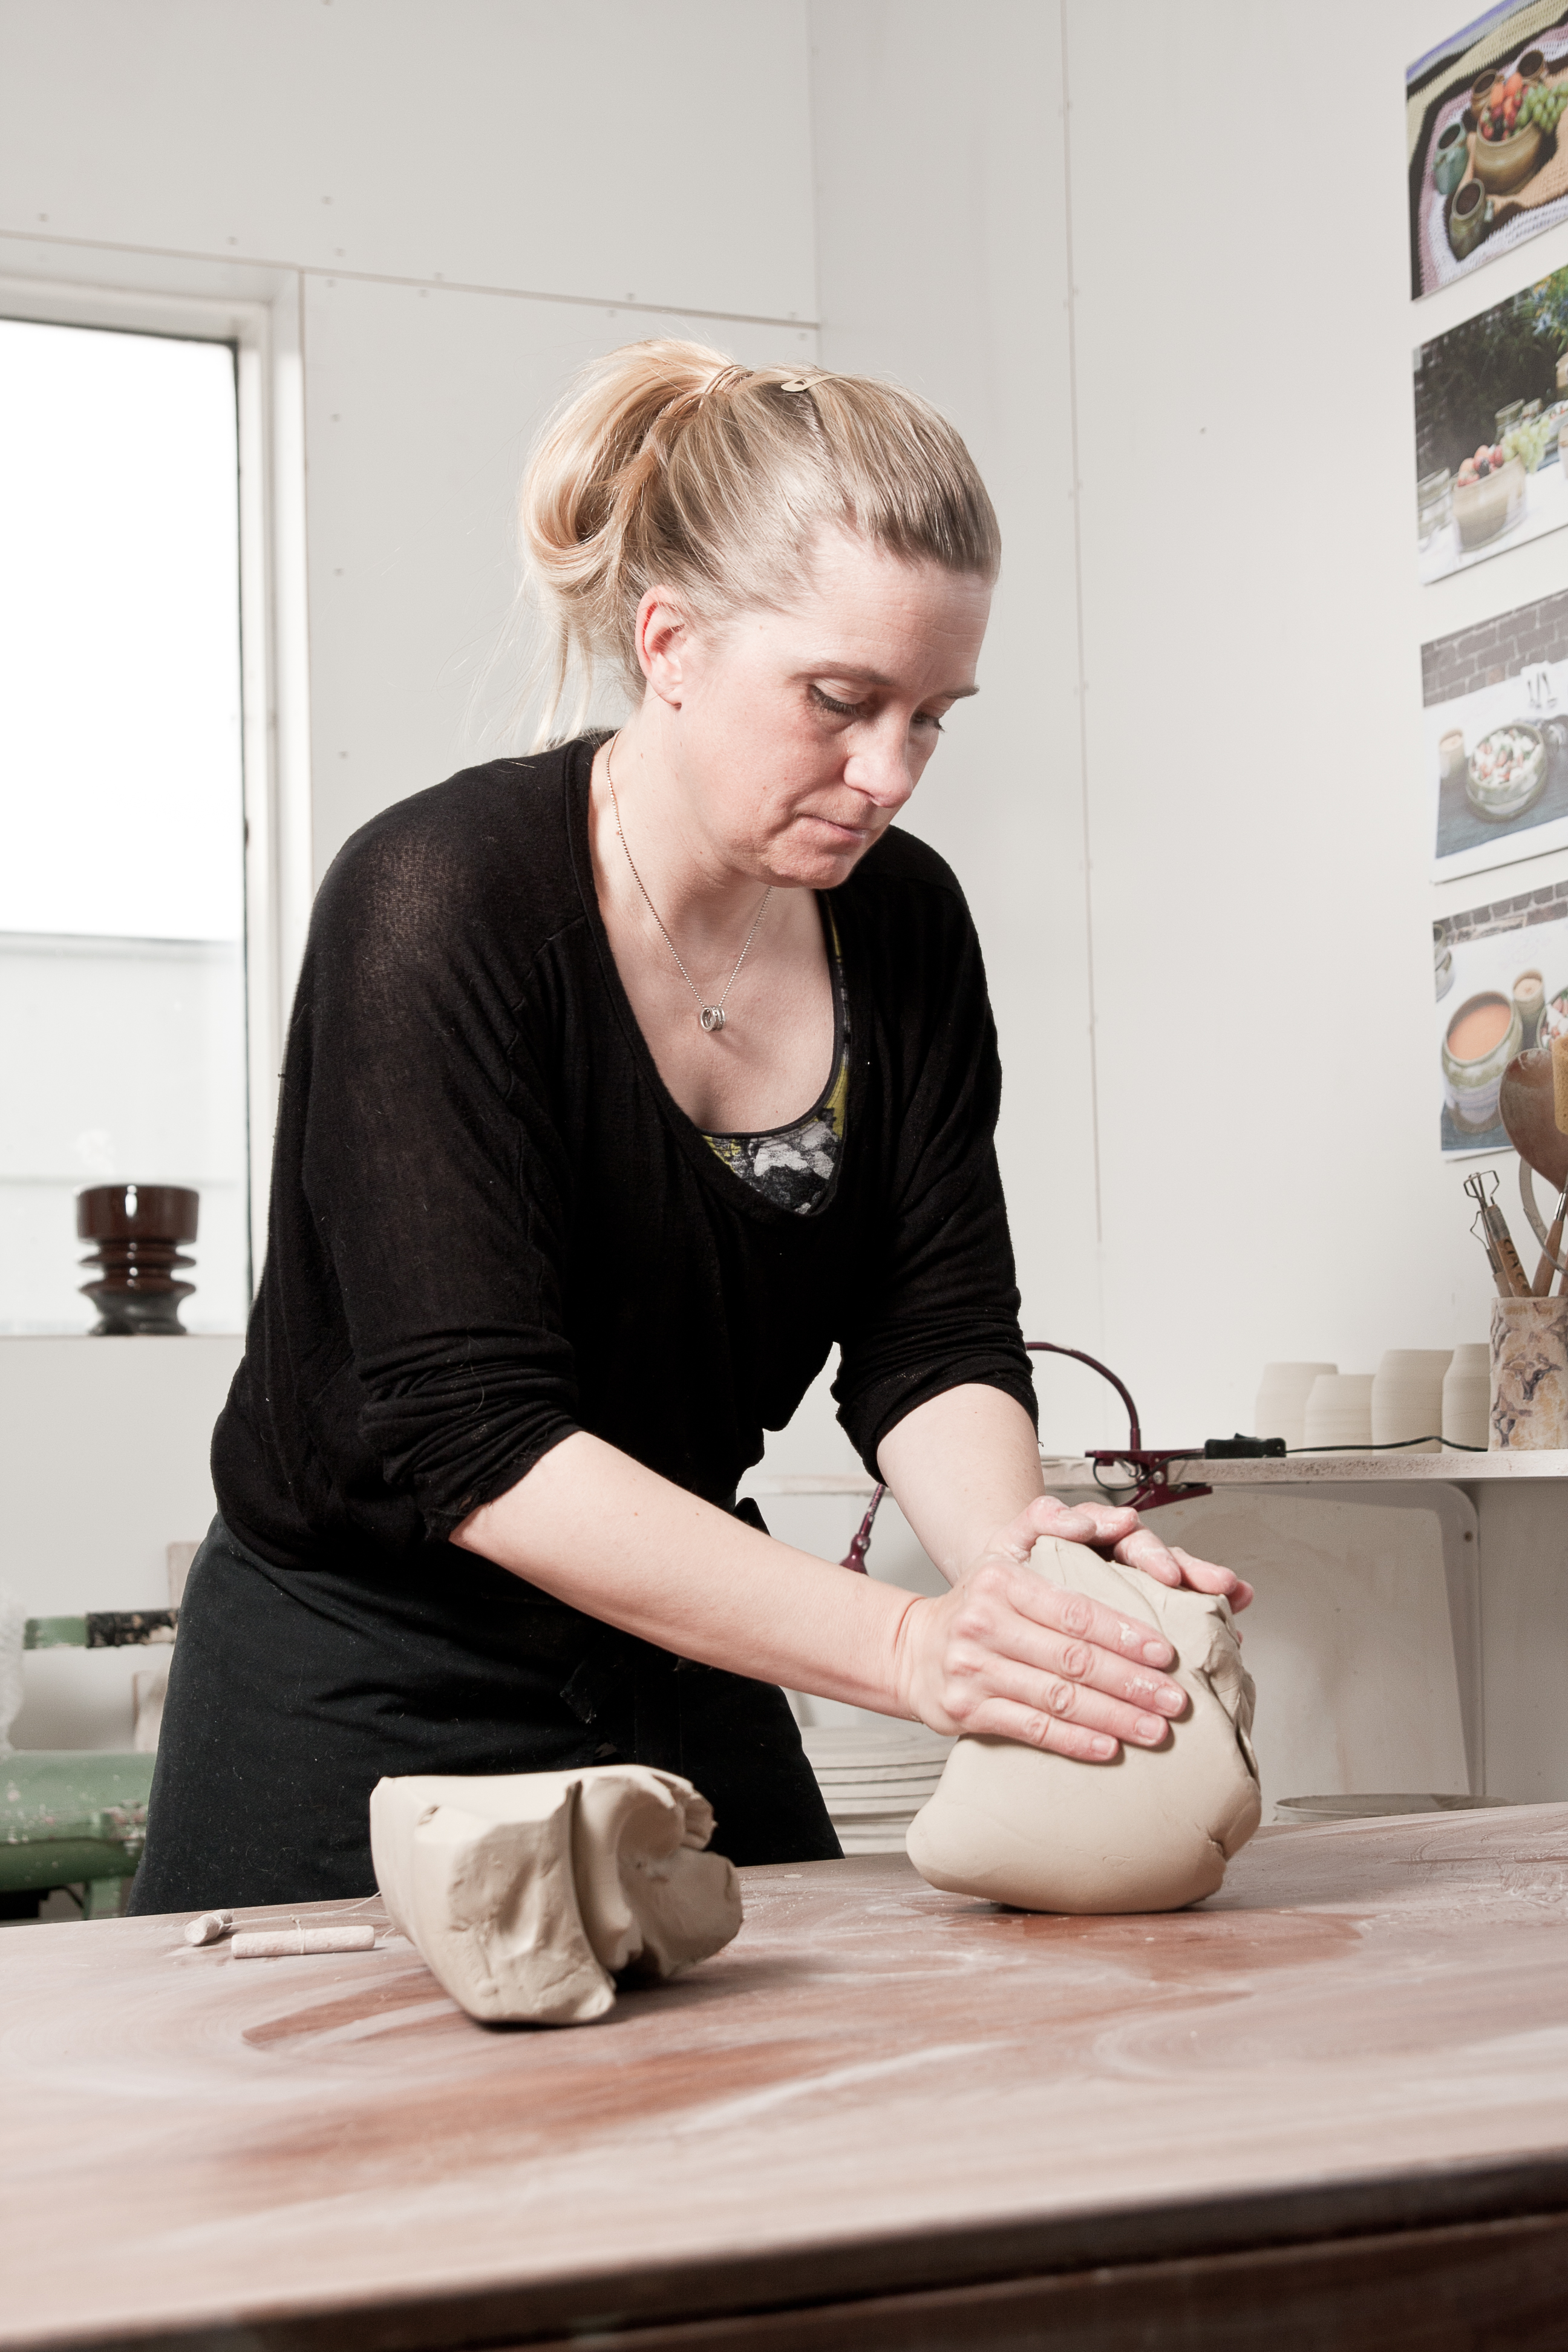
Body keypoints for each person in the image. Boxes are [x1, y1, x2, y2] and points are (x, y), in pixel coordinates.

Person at [131, 342, 1250, 1912]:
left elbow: (932, 1336)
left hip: (679, 1646)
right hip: (366, 1676)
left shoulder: (903, 923)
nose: (888, 775)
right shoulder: (437, 904)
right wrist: (915, 1649)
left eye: (933, 718)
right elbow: (482, 1443)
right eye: (841, 702)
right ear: (669, 642)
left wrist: (1025, 1582)